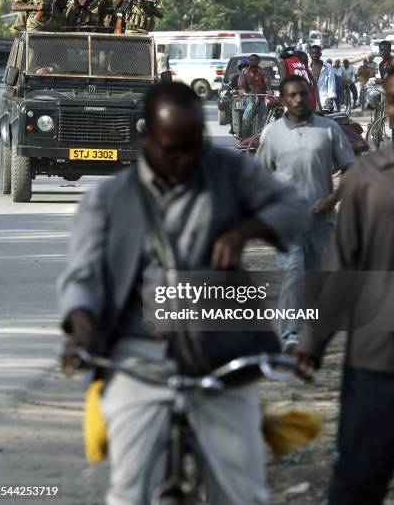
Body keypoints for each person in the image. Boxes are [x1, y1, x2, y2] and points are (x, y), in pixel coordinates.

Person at [59, 81, 310, 505]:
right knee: (129, 489)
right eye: (173, 149)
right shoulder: (107, 198)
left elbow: (295, 209)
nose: (186, 160)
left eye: (195, 146)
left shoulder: (229, 171)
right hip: (139, 356)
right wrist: (80, 324)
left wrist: (247, 229)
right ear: (146, 138)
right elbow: (82, 276)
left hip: (223, 352)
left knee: (243, 491)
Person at [297, 71, 394, 505]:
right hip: (378, 360)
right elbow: (343, 266)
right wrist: (313, 340)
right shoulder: (371, 178)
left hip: (376, 357)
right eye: (392, 100)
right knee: (357, 481)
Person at [256, 76, 355, 351]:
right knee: (293, 271)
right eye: (292, 95)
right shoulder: (271, 134)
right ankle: (290, 335)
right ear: (283, 99)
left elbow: (350, 168)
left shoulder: (329, 129)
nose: (299, 99)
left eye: (303, 94)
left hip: (321, 219)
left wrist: (333, 198)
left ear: (310, 95)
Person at [239, 54, 271, 138]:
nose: (253, 61)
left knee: (264, 114)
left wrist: (270, 91)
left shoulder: (263, 72)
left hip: (261, 97)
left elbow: (268, 83)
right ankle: (245, 136)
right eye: (251, 60)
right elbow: (241, 85)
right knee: (248, 112)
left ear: (259, 61)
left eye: (255, 60)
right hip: (249, 97)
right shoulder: (244, 72)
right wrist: (243, 91)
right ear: (249, 61)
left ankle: (263, 135)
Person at [279, 46, 319, 110]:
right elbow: (315, 82)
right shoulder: (302, 63)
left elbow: (284, 82)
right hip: (311, 101)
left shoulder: (284, 62)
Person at [309, 45, 336, 111]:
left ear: (320, 54)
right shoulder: (307, 68)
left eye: (317, 53)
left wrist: (330, 98)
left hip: (325, 99)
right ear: (310, 54)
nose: (315, 55)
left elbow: (331, 84)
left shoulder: (328, 67)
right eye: (313, 53)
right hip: (312, 99)